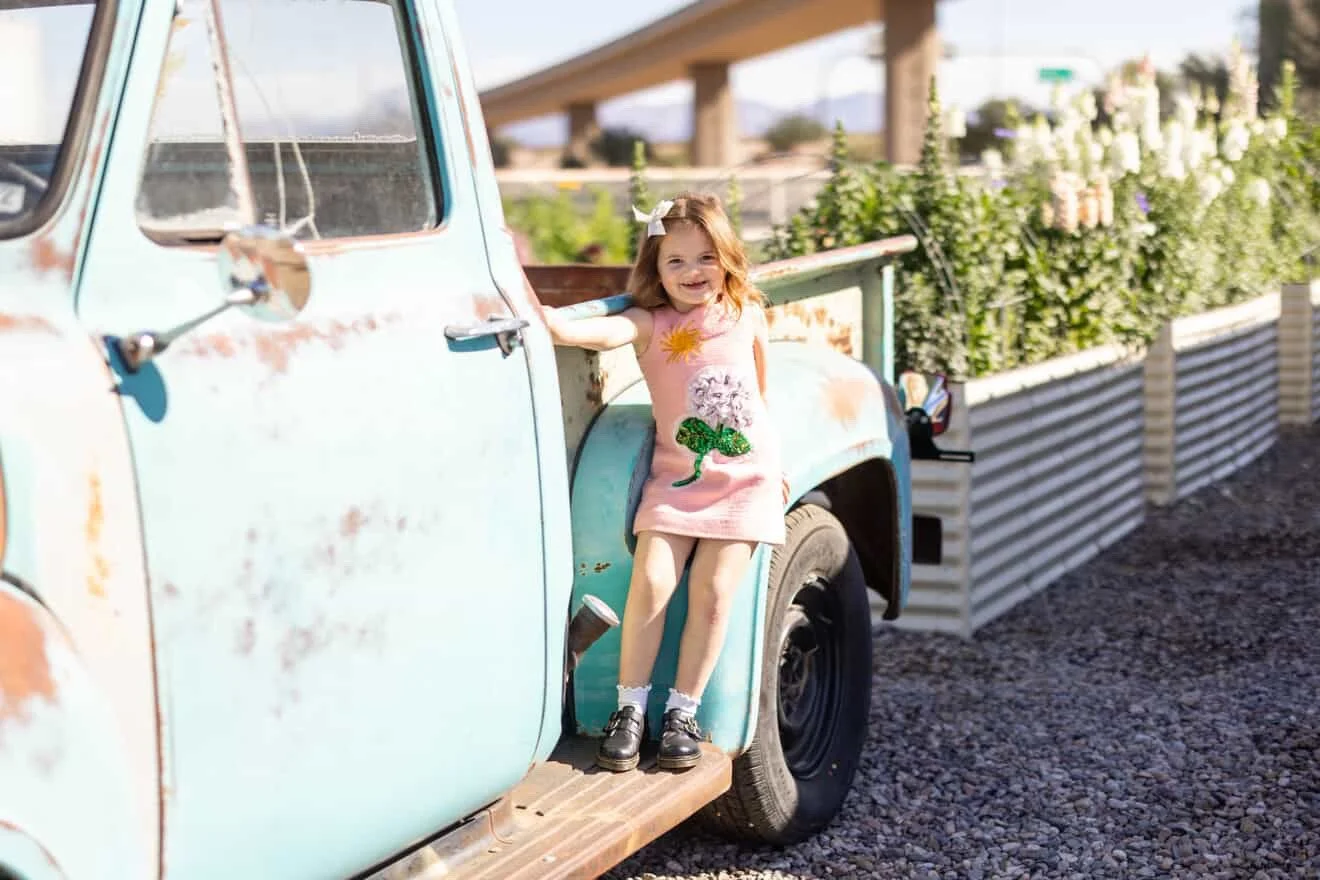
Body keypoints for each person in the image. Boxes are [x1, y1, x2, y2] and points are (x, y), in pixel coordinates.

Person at [542, 192, 787, 772]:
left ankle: (683, 711)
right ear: (655, 270)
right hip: (677, 483)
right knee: (650, 586)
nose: (692, 272)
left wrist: (776, 470)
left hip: (746, 481)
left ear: (726, 258)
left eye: (705, 257)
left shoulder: (747, 313)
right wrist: (547, 322)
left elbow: (760, 395)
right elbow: (598, 335)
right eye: (675, 262)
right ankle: (630, 709)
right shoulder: (651, 323)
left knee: (713, 596)